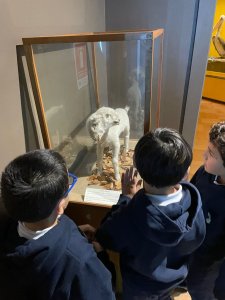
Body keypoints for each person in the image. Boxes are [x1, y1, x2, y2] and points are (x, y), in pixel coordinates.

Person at [95, 127, 206, 300]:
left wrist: (126, 198)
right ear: (186, 172)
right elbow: (197, 240)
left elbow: (106, 237)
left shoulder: (129, 217)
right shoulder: (196, 207)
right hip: (173, 279)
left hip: (139, 285)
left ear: (138, 169)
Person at [0, 149, 115, 300]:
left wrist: (71, 233)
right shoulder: (82, 263)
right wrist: (101, 255)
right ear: (61, 206)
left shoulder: (6, 230)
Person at [186, 121, 225, 300]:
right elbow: (190, 195)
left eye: (210, 154)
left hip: (210, 266)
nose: (203, 155)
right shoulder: (205, 172)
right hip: (191, 249)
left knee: (199, 291)